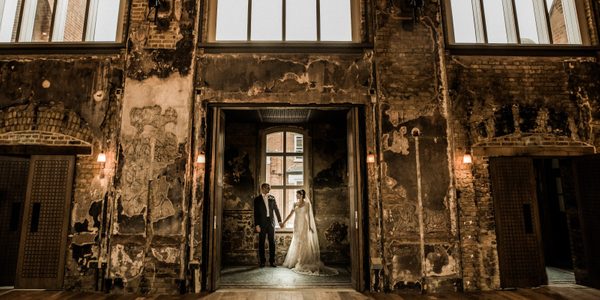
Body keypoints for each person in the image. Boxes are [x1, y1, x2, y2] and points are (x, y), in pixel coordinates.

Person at [281, 189, 338, 276]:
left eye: (298, 194)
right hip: (296, 225)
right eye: (296, 195)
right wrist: (283, 222)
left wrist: (310, 227)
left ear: (302, 195)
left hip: (304, 225)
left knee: (304, 243)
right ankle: (295, 261)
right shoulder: (295, 204)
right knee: (297, 242)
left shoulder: (307, 204)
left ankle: (303, 261)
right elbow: (290, 214)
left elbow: (309, 217)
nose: (296, 196)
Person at [254, 183, 283, 268]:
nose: (269, 190)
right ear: (262, 188)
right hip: (261, 223)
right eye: (267, 188)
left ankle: (272, 261)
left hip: (271, 223)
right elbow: (256, 213)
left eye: (269, 188)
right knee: (261, 242)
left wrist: (280, 221)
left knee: (272, 242)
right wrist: (257, 225)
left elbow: (276, 210)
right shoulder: (257, 199)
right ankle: (262, 261)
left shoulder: (272, 198)